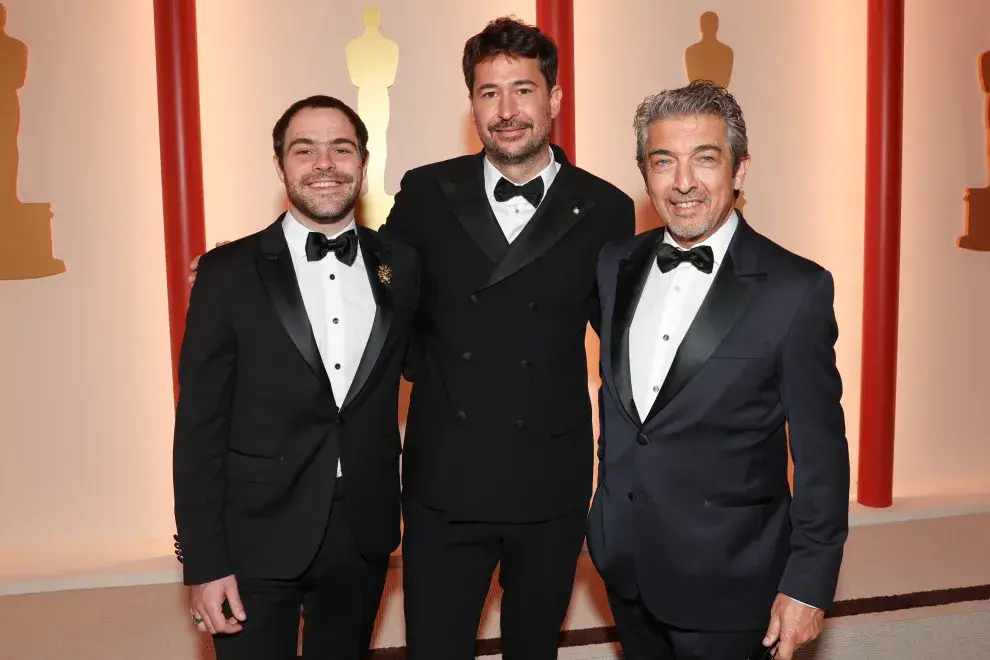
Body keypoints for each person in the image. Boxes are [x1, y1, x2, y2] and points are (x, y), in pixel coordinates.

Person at [382, 17, 635, 660]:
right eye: (489, 92)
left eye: (523, 90)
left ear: (553, 98)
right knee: (434, 647)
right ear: (472, 105)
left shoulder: (605, 206)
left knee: (534, 648)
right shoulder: (425, 191)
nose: (507, 110)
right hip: (446, 473)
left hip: (550, 472)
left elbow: (628, 334)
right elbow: (378, 292)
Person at [586, 80, 849, 660]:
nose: (683, 183)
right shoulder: (616, 265)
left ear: (740, 167)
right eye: (663, 162)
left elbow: (822, 458)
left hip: (734, 586)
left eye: (705, 159)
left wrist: (808, 583)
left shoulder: (795, 289)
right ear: (645, 172)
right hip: (625, 569)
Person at [172, 95, 419, 660]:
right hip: (252, 535)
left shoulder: (400, 266)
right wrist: (205, 562)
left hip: (362, 529)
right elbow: (199, 428)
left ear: (362, 160)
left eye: (340, 148)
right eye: (304, 150)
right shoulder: (226, 272)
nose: (324, 164)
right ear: (280, 165)